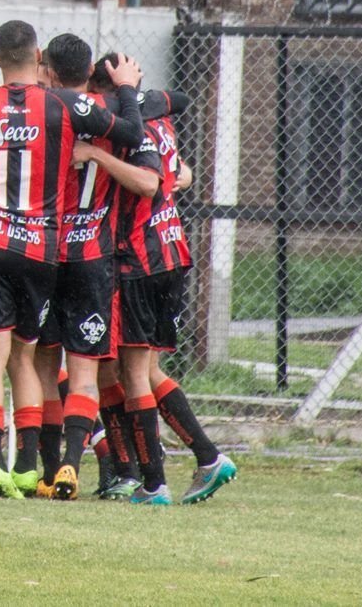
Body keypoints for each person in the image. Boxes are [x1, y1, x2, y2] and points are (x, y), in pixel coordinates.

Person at [0, 20, 145, 498]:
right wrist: (126, 91)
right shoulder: (64, 104)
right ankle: (28, 465)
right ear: (37, 56)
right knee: (27, 356)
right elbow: (129, 132)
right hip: (43, 246)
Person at [34, 33, 187, 500]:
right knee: (91, 374)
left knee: (41, 366)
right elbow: (174, 102)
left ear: (50, 71)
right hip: (97, 258)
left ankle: (46, 467)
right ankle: (78, 466)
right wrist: (130, 90)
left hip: (51, 253)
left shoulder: (48, 110)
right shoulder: (120, 117)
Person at [86, 54, 237, 505]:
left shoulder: (127, 125)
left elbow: (151, 182)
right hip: (170, 250)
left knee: (134, 373)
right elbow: (181, 174)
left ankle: (155, 483)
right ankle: (204, 459)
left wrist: (94, 153)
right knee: (147, 370)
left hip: (142, 258)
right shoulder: (157, 118)